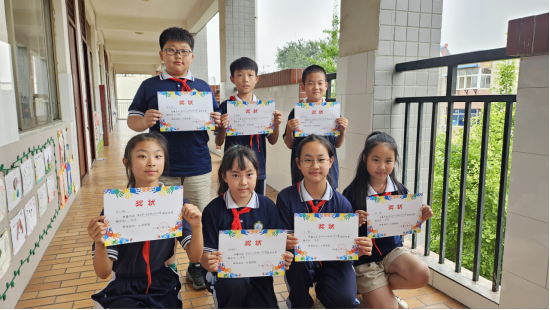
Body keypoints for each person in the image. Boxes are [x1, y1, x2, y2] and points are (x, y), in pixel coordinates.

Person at [126, 27, 220, 289]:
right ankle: (165, 266)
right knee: (162, 219)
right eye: (171, 50)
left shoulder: (202, 87)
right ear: (162, 54)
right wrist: (143, 120)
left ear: (191, 56)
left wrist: (217, 121)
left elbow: (217, 123)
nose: (178, 56)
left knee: (195, 218)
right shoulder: (150, 85)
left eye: (184, 51)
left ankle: (195, 266)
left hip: (198, 164)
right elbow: (132, 120)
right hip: (160, 168)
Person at [87, 133, 204, 308]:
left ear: (165, 161)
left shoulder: (176, 203)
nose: (151, 162)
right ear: (126, 162)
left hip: (162, 284)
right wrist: (99, 243)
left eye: (158, 156)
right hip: (124, 288)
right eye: (142, 156)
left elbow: (195, 256)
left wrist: (197, 226)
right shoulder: (116, 207)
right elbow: (103, 272)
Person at [276, 135, 372, 309]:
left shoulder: (342, 202)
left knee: (344, 300)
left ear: (331, 161)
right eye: (308, 160)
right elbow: (282, 237)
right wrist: (283, 240)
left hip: (334, 261)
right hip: (300, 262)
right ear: (298, 163)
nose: (315, 166)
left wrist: (357, 247)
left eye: (321, 159)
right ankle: (300, 301)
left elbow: (347, 248)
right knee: (293, 263)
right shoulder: (286, 197)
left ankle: (325, 293)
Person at [342, 131, 433, 309]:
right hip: (365, 261)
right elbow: (342, 235)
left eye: (388, 161)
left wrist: (419, 219)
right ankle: (374, 294)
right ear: (365, 158)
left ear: (394, 161)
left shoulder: (400, 190)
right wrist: (353, 222)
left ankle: (379, 291)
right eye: (376, 160)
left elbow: (403, 227)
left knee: (422, 274)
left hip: (391, 253)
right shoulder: (351, 193)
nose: (382, 166)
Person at [200, 145, 293, 308]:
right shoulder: (213, 210)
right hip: (225, 278)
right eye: (235, 175)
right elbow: (206, 254)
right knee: (236, 285)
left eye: (249, 174)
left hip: (260, 275)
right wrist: (208, 262)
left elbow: (275, 246)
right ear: (224, 176)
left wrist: (283, 255)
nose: (243, 182)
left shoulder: (268, 207)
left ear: (257, 174)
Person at [215, 57, 283, 195]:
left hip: (257, 167)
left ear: (256, 79)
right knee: (231, 204)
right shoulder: (226, 106)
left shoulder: (264, 108)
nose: (245, 79)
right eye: (240, 75)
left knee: (257, 206)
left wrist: (276, 125)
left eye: (250, 75)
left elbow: (272, 140)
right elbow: (219, 141)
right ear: (232, 79)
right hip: (232, 167)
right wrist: (223, 127)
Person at [283, 65, 348, 190]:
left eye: (320, 83)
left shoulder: (332, 111)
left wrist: (343, 130)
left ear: (326, 86)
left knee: (327, 204)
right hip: (302, 170)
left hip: (328, 170)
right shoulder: (296, 112)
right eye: (311, 83)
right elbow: (290, 144)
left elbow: (337, 144)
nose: (316, 87)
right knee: (302, 201)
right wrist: (289, 130)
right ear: (303, 87)